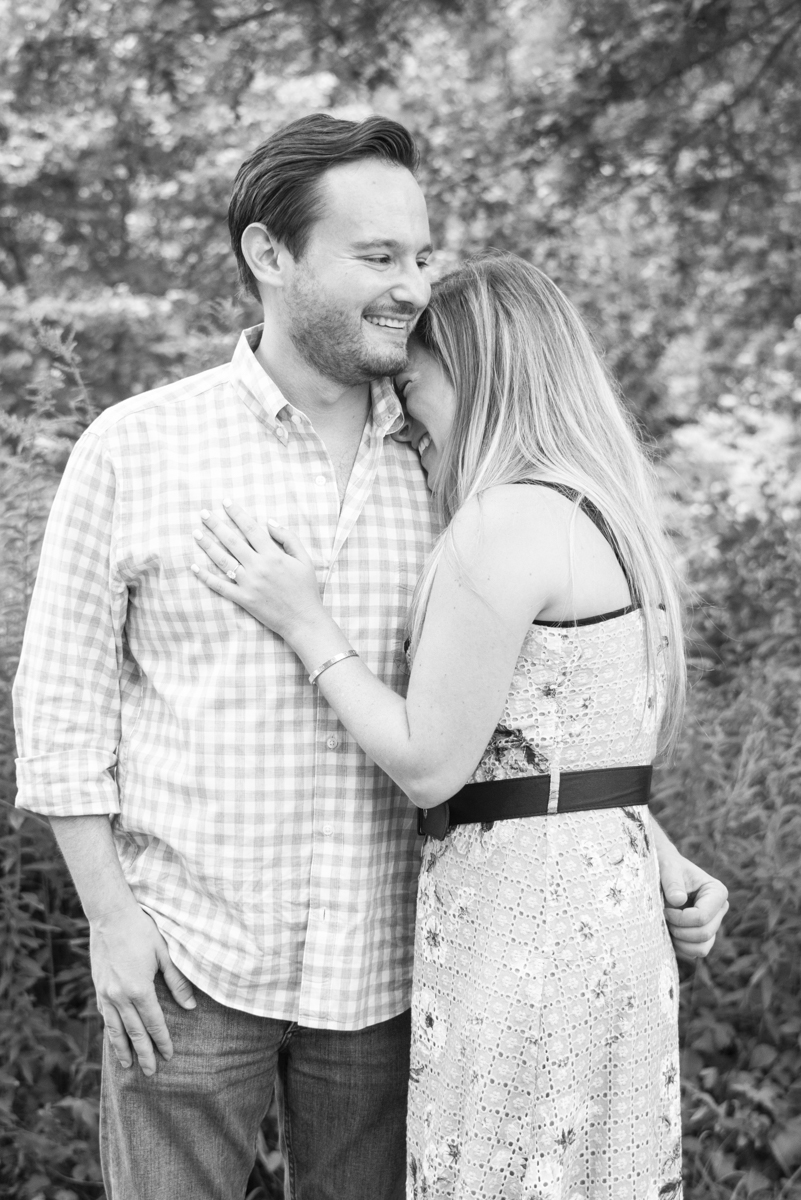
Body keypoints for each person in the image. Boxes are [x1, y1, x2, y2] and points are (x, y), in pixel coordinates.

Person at [13, 114, 725, 1200]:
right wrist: (111, 919)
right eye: (379, 256)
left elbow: (512, 700)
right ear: (270, 255)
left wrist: (642, 835)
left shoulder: (455, 460)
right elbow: (62, 707)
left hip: (396, 973)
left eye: (422, 254)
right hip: (192, 962)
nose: (412, 283)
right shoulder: (139, 445)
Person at [190, 251, 703, 1198]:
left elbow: (431, 763)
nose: (406, 420)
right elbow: (567, 740)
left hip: (526, 926)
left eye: (415, 387)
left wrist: (306, 621)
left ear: (479, 374)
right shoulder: (605, 512)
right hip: (604, 905)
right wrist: (660, 852)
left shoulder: (502, 521)